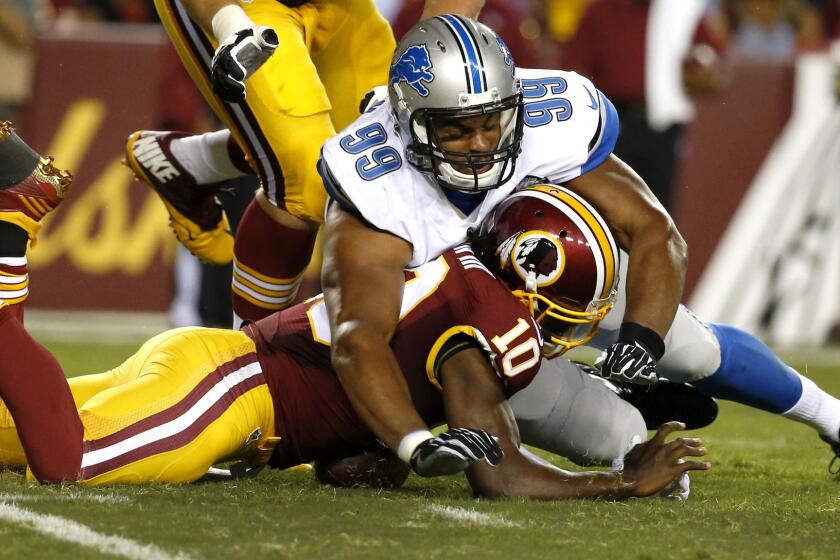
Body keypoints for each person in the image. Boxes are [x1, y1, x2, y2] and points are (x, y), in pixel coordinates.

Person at [0, 123, 707, 496]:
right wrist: (619, 482)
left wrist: (375, 447)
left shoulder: (458, 271)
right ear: (536, 286)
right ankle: (14, 218)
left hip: (218, 373)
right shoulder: (491, 324)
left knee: (25, 436)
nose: (566, 327)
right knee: (74, 462)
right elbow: (501, 475)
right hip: (235, 394)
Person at [317, 16, 840, 473]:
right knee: (621, 439)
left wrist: (643, 341)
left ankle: (830, 415)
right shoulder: (374, 183)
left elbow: (654, 231)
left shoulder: (548, 119)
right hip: (463, 336)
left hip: (548, 276)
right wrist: (408, 436)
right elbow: (362, 336)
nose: (480, 145)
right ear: (410, 125)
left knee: (695, 351)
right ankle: (610, 398)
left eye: (490, 123)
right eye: (456, 130)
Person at [125, 0, 487, 324]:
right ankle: (250, 359)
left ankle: (192, 162)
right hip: (243, 6)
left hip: (344, 10)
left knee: (397, 162)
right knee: (305, 183)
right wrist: (229, 23)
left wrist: (435, 55)